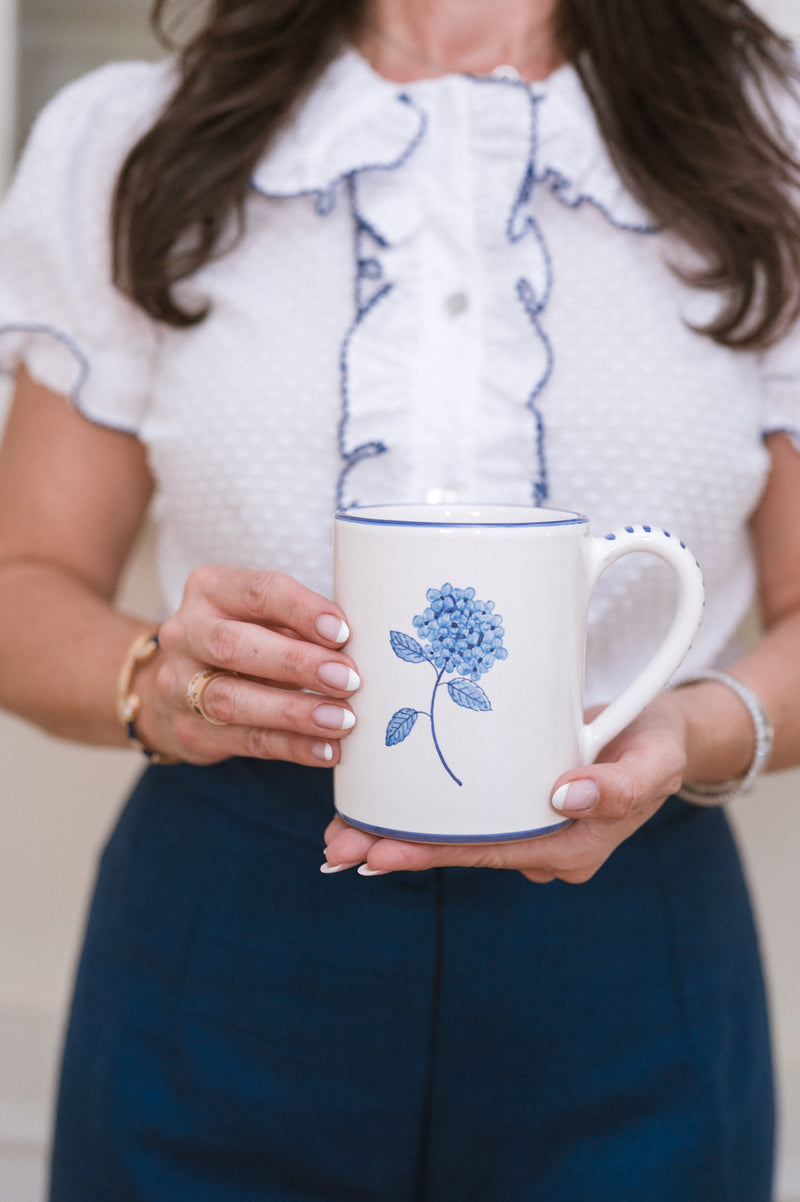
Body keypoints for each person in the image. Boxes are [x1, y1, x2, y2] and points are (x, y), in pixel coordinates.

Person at [1, 0, 799, 1197]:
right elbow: (23, 584)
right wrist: (154, 682)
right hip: (222, 934)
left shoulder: (770, 133)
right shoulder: (135, 143)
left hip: (631, 948)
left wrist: (685, 728)